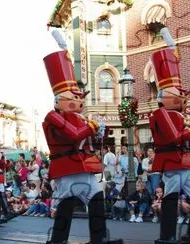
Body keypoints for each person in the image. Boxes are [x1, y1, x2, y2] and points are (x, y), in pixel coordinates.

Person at [42, 50, 121, 244]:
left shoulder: (81, 118)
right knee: (76, 201)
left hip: (79, 166)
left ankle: (92, 238)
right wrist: (91, 127)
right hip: (67, 166)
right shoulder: (54, 117)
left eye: (80, 97)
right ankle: (67, 240)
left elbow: (91, 142)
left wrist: (101, 130)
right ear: (59, 100)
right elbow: (73, 136)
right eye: (74, 96)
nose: (80, 100)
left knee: (86, 200)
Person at [148, 27, 190, 244]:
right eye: (178, 93)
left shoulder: (181, 115)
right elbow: (172, 138)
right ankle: (166, 236)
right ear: (165, 96)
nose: (183, 97)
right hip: (170, 162)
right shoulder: (160, 114)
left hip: (186, 162)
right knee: (170, 199)